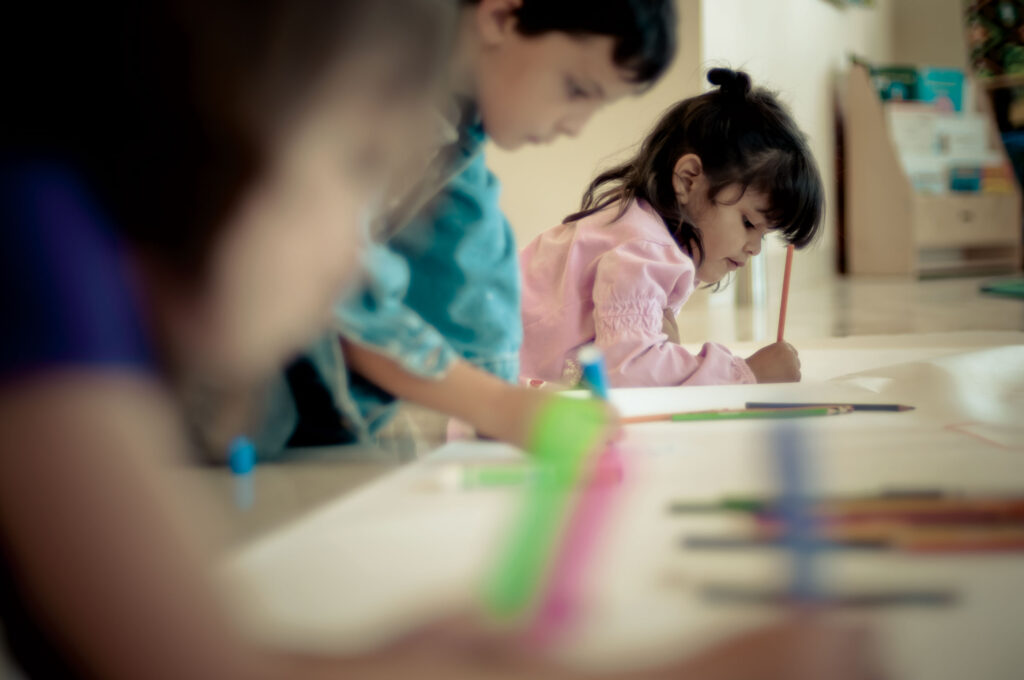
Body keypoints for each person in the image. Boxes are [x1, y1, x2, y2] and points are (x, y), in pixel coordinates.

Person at [259, 0, 678, 452]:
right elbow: (342, 291)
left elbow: (474, 285)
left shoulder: (459, 132)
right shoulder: (360, 82)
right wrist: (498, 405)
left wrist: (506, 406)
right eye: (576, 89)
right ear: (499, 17)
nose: (576, 126)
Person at [518, 68, 824, 388]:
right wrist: (746, 373)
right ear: (688, 179)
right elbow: (628, 370)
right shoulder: (645, 249)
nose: (755, 248)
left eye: (764, 234)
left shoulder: (639, 230)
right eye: (748, 223)